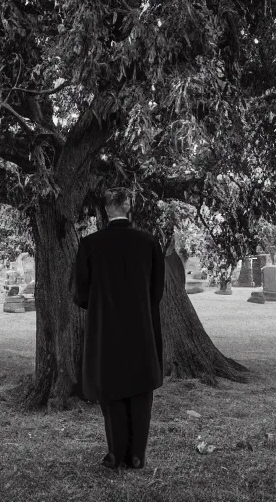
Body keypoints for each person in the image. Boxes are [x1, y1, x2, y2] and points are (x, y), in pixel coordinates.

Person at [72, 187, 165, 470]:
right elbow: (156, 290)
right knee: (140, 388)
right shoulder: (149, 243)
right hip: (141, 326)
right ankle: (137, 455)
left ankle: (115, 453)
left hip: (106, 327)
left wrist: (102, 307)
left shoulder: (90, 245)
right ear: (129, 205)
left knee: (110, 387)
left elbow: (80, 294)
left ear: (106, 210)